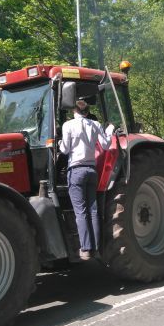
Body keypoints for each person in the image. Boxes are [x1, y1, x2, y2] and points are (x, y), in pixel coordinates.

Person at [59, 100, 114, 260]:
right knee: (93, 210)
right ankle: (96, 248)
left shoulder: (68, 126)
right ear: (87, 111)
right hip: (91, 170)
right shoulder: (95, 124)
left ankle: (86, 248)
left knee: (80, 211)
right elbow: (105, 145)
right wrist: (109, 130)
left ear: (73, 111)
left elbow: (65, 149)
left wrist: (60, 143)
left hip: (76, 171)